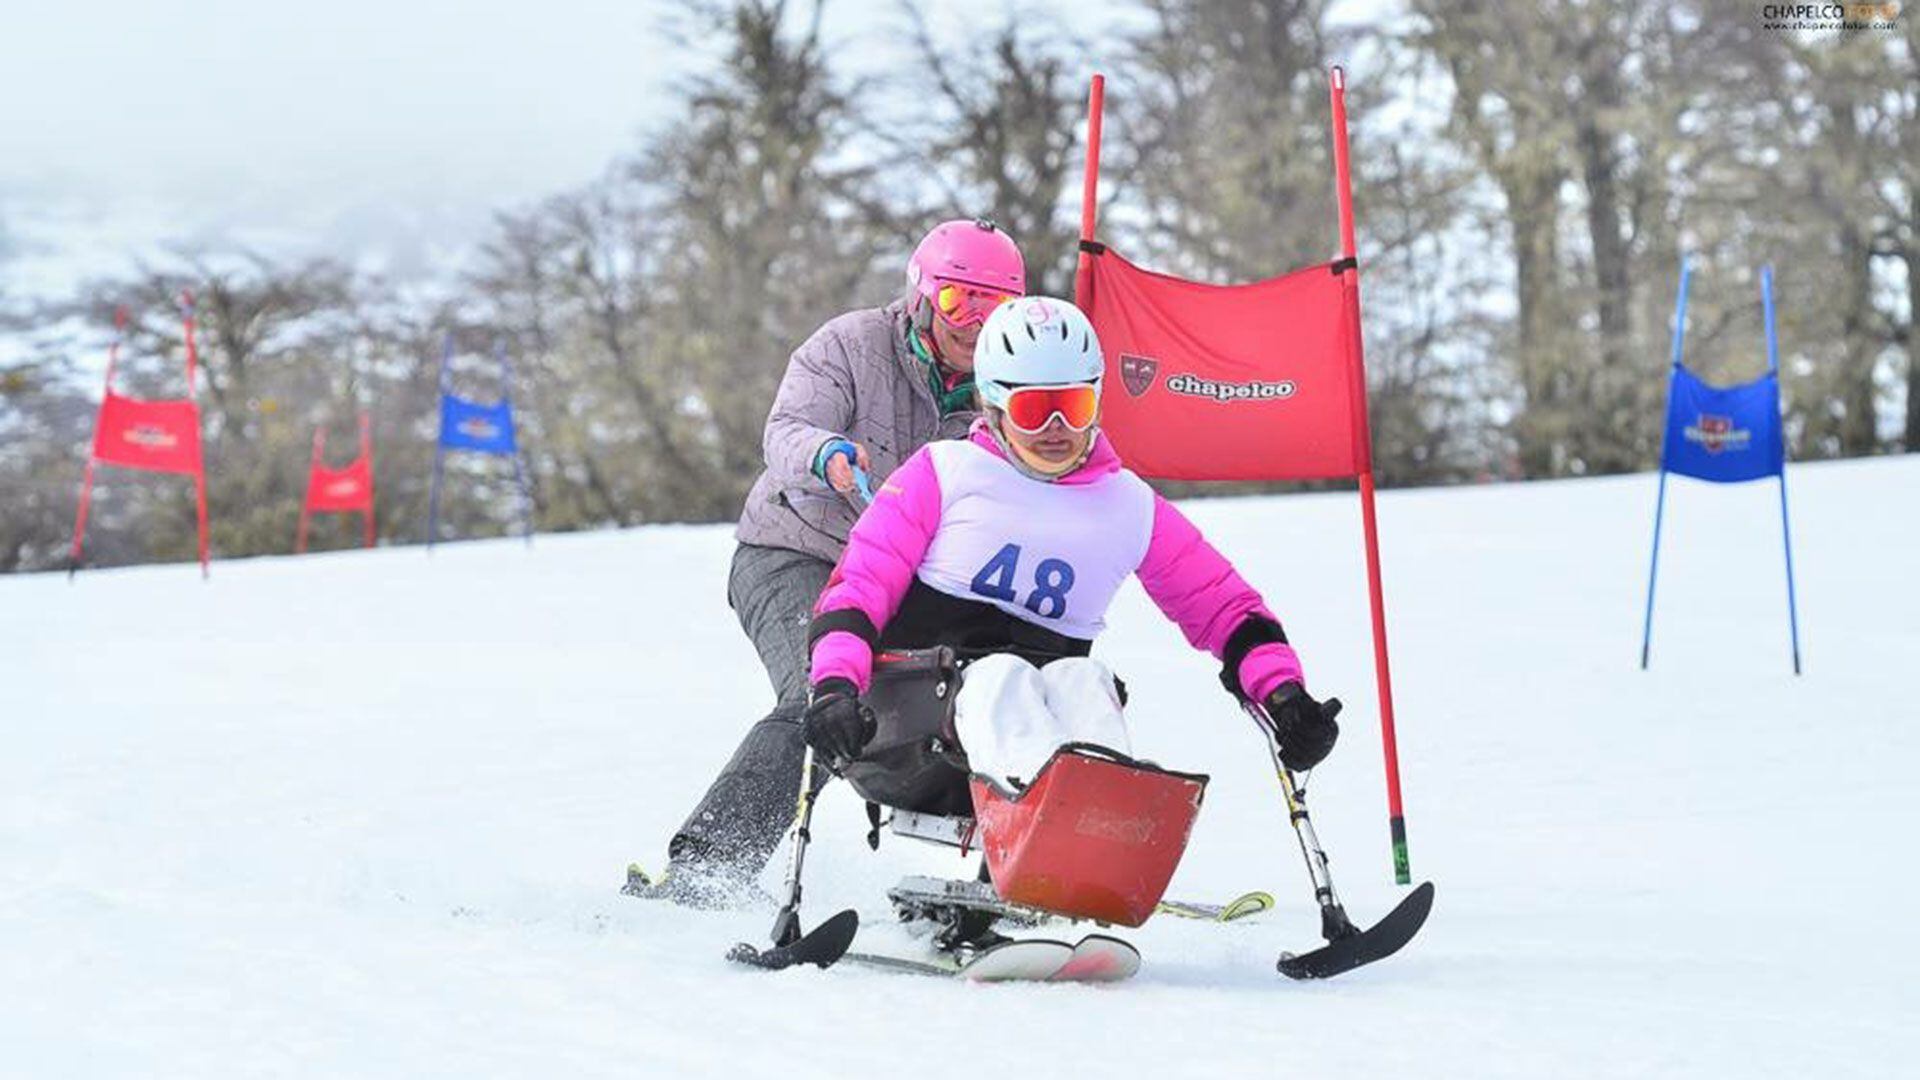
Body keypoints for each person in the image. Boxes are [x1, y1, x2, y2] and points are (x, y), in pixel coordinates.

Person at [801, 295, 1341, 811]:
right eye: (1035, 409)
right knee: (999, 677)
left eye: (1074, 406)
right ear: (993, 406)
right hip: (905, 730)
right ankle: (1065, 834)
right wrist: (833, 687)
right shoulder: (942, 473)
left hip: (1038, 724)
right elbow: (858, 586)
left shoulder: (1127, 505)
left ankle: (1093, 840)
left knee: (1086, 683)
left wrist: (1285, 697)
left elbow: (1226, 609)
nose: (1056, 429)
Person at [629, 219, 1026, 906]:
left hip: (900, 579)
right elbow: (784, 431)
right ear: (924, 296)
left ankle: (1022, 863)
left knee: (986, 692)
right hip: (795, 550)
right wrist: (825, 455)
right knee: (823, 691)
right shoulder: (851, 345)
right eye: (962, 302)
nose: (976, 324)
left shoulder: (1006, 391)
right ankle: (705, 869)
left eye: (998, 308)